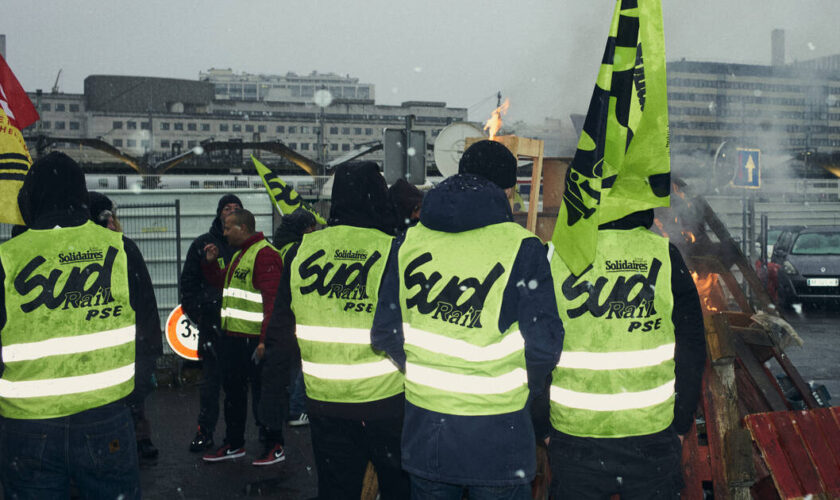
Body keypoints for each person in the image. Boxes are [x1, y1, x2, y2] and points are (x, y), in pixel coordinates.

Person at [371, 140, 565, 499]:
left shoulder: (408, 242)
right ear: (508, 190)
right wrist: (523, 389)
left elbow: (384, 333)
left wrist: (428, 373)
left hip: (427, 433)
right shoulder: (523, 247)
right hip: (499, 439)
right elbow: (545, 344)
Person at [0, 152, 161, 498]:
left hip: (27, 426)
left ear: (30, 198)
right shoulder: (120, 250)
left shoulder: (7, 258)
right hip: (108, 420)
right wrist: (131, 402)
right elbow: (149, 335)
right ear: (81, 196)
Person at [268, 162, 410, 499]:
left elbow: (279, 332)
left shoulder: (303, 251)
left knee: (336, 490)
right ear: (378, 196)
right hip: (386, 403)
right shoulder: (395, 250)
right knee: (400, 489)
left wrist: (273, 404)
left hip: (324, 403)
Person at [546, 208, 706, 499]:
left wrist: (542, 424)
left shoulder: (555, 254)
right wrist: (681, 422)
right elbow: (692, 346)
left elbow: (532, 344)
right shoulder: (663, 253)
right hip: (651, 437)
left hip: (575, 438)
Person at [201, 208, 284, 465]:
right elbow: (225, 284)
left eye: (228, 228)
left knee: (264, 395)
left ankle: (275, 444)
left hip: (253, 341)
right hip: (235, 338)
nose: (223, 233)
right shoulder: (241, 254)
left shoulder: (264, 254)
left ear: (243, 229)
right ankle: (235, 443)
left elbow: (272, 302)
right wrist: (212, 263)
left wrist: (263, 340)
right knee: (234, 394)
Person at [88, 191, 163, 464]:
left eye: (111, 218)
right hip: (115, 344)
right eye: (104, 218)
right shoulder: (116, 249)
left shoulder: (124, 248)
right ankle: (126, 444)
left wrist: (149, 344)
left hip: (130, 343)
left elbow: (144, 298)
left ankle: (137, 440)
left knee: (132, 397)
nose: (111, 224)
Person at [180, 193, 244, 452]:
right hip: (212, 328)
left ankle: (235, 438)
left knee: (237, 387)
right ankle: (204, 431)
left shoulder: (249, 246)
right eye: (226, 208)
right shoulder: (203, 244)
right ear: (218, 214)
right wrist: (202, 314)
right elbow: (188, 286)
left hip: (241, 329)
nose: (231, 211)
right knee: (210, 385)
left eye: (236, 208)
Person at [270, 207, 317, 427]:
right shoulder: (298, 250)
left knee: (291, 365)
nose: (313, 230)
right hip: (295, 313)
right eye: (310, 226)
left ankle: (289, 406)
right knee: (301, 364)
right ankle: (297, 409)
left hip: (280, 314)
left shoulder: (279, 246)